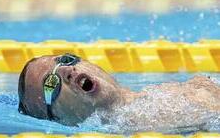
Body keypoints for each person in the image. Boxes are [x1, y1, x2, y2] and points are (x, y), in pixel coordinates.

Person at [17, 53, 220, 132]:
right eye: (51, 83)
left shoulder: (162, 93)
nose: (66, 71)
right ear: (58, 119)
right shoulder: (140, 129)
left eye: (66, 59)